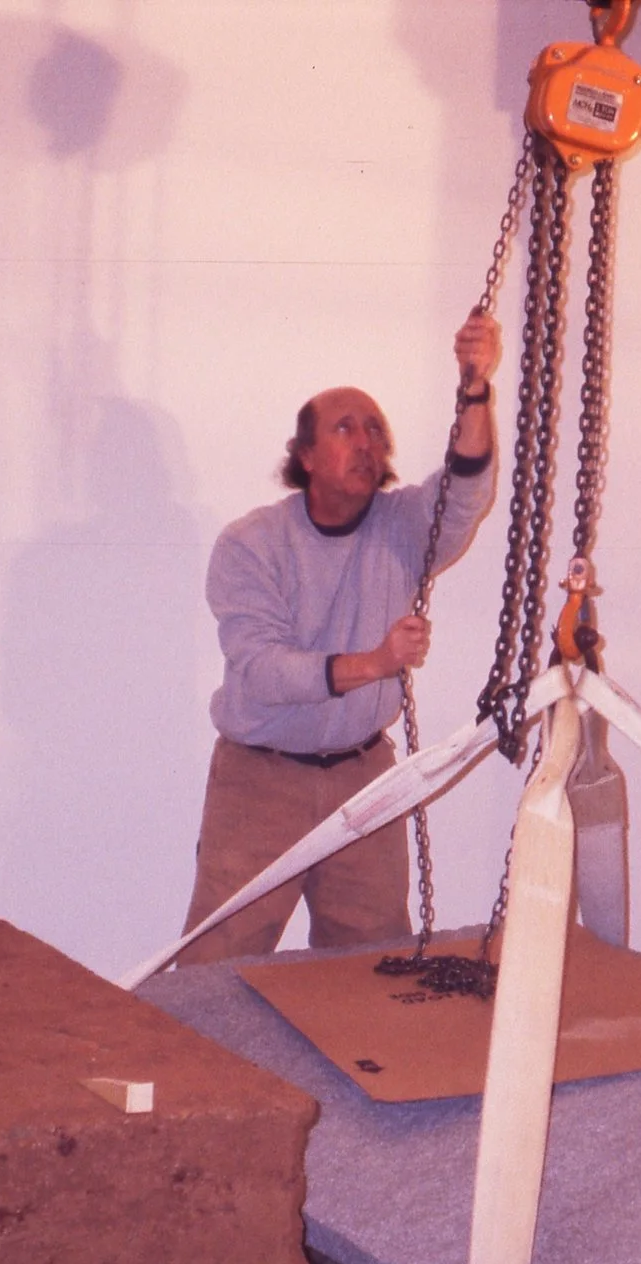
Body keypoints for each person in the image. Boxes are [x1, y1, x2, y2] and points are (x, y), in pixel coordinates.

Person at [176, 310, 503, 964]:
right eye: (345, 428)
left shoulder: (402, 525)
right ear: (305, 456)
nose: (366, 441)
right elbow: (264, 671)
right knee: (217, 969)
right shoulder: (251, 543)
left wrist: (474, 388)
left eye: (376, 429)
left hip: (364, 777)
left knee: (370, 967)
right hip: (260, 782)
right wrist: (376, 662)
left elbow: (465, 488)